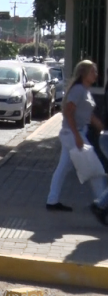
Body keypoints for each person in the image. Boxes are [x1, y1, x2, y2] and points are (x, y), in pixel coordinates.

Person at [46, 60, 107, 211]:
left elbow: (86, 113)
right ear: (84, 73)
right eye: (93, 71)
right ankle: (102, 204)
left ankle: (52, 200)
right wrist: (77, 137)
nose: (96, 74)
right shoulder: (78, 90)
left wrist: (99, 125)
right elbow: (68, 112)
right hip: (74, 134)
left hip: (75, 133)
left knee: (63, 167)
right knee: (94, 169)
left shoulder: (84, 90)